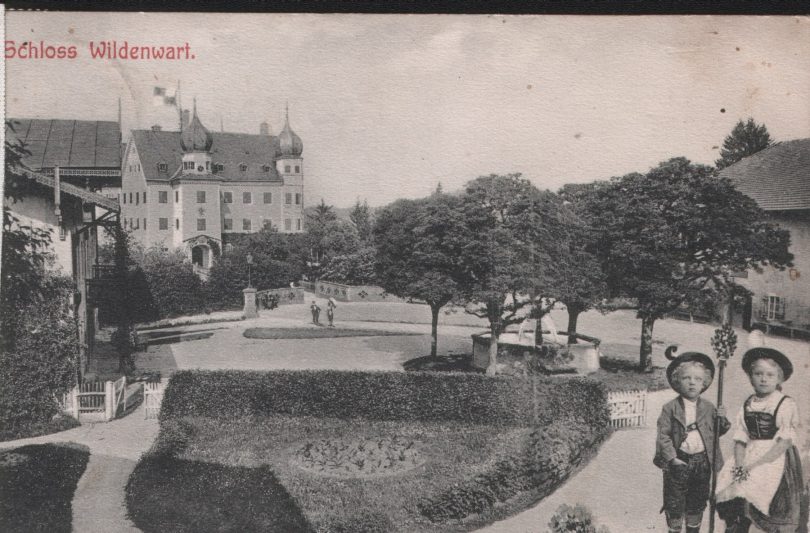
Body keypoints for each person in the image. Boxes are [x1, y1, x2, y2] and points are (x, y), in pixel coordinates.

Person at [716, 347, 806, 533]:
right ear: (750, 377)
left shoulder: (784, 403)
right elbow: (741, 437)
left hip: (775, 457)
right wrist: (740, 463)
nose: (763, 379)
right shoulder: (748, 403)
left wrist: (755, 465)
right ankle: (736, 526)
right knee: (732, 485)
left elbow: (784, 442)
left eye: (770, 375)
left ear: (779, 379)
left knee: (759, 490)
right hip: (750, 452)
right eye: (758, 374)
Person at [654, 346, 730, 533]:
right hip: (679, 461)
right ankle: (674, 528)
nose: (692, 383)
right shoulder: (670, 408)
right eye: (686, 378)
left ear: (704, 383)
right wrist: (672, 458)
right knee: (675, 502)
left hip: (702, 463)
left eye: (697, 379)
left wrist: (721, 418)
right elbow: (663, 436)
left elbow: (717, 432)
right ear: (677, 381)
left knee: (697, 502)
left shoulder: (709, 407)